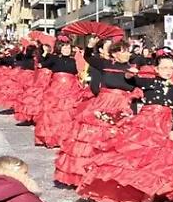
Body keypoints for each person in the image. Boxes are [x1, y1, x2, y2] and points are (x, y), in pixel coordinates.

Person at [77, 54, 173, 202]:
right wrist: (129, 74)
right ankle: (141, 189)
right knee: (142, 158)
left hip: (164, 124)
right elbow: (131, 80)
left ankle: (154, 191)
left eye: (171, 67)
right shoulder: (148, 82)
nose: (168, 71)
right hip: (146, 123)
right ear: (156, 69)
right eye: (164, 67)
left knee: (160, 161)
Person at [54, 41, 137, 187]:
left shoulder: (132, 69)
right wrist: (91, 45)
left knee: (118, 144)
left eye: (127, 51)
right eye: (123, 51)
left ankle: (111, 177)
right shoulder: (104, 64)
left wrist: (133, 115)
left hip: (123, 109)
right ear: (114, 53)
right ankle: (89, 174)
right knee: (95, 141)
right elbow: (88, 57)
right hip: (104, 107)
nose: (126, 54)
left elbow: (136, 93)